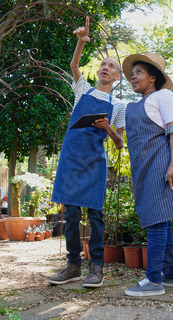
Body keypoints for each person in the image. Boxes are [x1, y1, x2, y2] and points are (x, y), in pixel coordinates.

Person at [49, 16, 125, 288]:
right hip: (71, 158)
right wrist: (80, 41)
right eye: (103, 65)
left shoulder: (119, 106)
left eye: (111, 67)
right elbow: (73, 65)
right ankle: (72, 265)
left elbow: (119, 144)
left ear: (117, 77)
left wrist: (108, 129)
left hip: (95, 162)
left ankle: (97, 267)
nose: (105, 68)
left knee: (95, 215)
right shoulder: (83, 90)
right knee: (70, 214)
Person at [122, 52, 173, 297]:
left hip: (161, 163)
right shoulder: (135, 105)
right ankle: (170, 275)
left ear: (153, 77)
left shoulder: (164, 96)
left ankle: (154, 279)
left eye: (138, 72)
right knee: (161, 218)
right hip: (142, 167)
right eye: (132, 73)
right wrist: (135, 178)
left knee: (156, 219)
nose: (133, 77)